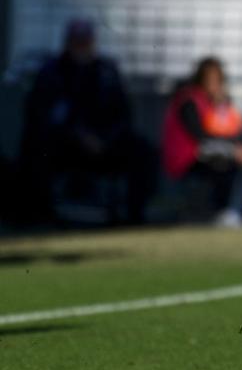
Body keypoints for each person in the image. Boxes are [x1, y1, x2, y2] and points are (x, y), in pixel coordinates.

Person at [19, 18, 155, 224]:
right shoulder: (52, 72)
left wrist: (104, 139)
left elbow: (123, 114)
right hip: (66, 146)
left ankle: (133, 215)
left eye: (86, 41)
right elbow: (42, 115)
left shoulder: (106, 72)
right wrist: (78, 135)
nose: (82, 47)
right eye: (77, 41)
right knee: (37, 147)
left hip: (104, 145)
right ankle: (40, 214)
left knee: (142, 149)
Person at [163, 57, 242, 227]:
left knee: (240, 153)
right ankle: (223, 212)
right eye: (211, 80)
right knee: (230, 157)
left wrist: (221, 106)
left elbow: (233, 129)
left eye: (218, 80)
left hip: (202, 152)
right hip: (185, 158)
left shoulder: (212, 102)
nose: (216, 85)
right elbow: (200, 137)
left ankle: (230, 211)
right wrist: (233, 149)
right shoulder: (189, 100)